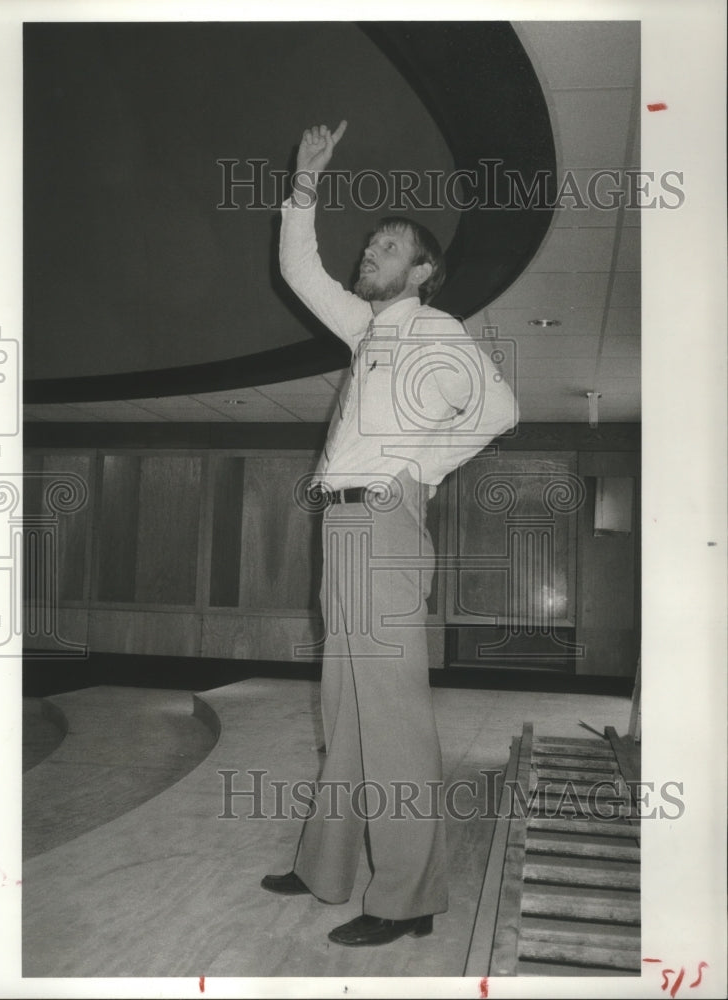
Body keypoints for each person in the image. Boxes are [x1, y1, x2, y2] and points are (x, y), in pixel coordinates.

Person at [261, 122, 518, 947]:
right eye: (371, 240)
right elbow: (299, 268)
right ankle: (325, 866)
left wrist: (423, 469)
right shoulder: (366, 328)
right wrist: (304, 186)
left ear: (422, 273)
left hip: (383, 523)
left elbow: (500, 410)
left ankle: (407, 898)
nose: (371, 249)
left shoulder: (433, 332)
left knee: (392, 715)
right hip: (344, 528)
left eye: (390, 244)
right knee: (345, 706)